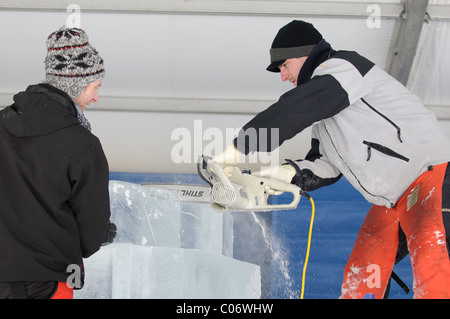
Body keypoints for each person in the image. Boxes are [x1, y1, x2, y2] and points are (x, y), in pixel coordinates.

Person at [213, 20, 450, 299]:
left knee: (432, 265)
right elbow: (327, 167)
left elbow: (296, 108)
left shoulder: (343, 68)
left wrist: (239, 148)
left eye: (284, 66)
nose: (283, 76)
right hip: (392, 199)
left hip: (431, 176)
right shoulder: (327, 117)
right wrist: (285, 174)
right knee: (362, 271)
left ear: (304, 54)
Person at [0, 27, 116, 299]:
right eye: (94, 87)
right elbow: (91, 236)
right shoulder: (82, 145)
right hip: (47, 283)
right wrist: (102, 234)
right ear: (76, 85)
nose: (96, 98)